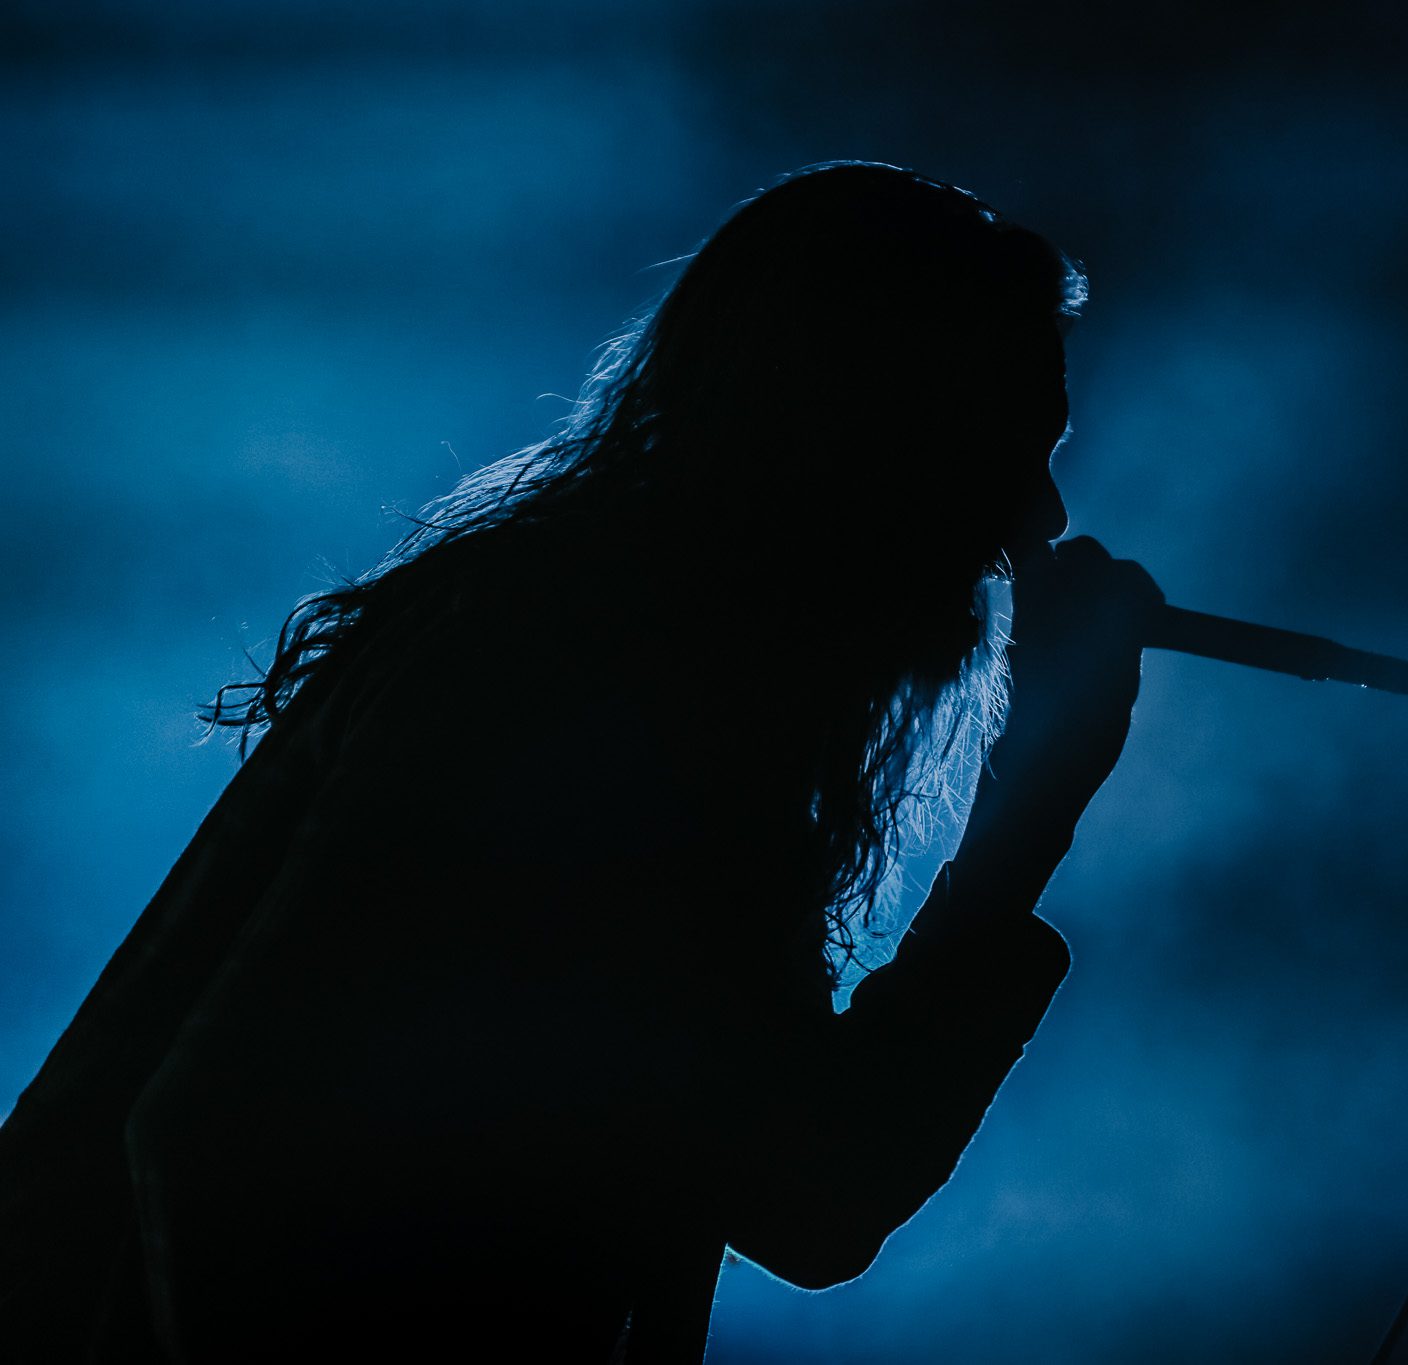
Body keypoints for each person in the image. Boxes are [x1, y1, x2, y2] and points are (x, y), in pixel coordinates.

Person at [0, 161, 1161, 1361]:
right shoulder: (583, 678)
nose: (1038, 519)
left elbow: (802, 1187)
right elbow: (206, 1124)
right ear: (866, 442)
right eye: (1005, 447)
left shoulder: (642, 675)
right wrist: (1033, 794)